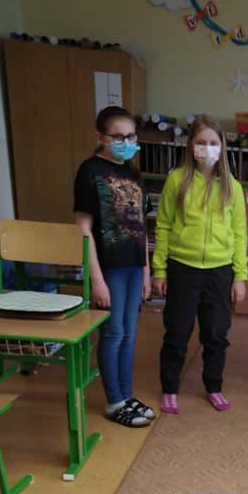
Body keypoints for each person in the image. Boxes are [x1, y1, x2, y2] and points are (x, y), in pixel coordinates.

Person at [152, 115, 248, 414]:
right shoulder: (176, 180)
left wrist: (240, 276)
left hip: (220, 271)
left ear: (222, 147)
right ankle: (170, 388)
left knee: (216, 334)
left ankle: (214, 386)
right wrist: (159, 270)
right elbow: (163, 225)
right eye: (201, 142)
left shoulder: (232, 187)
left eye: (213, 142)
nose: (207, 148)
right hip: (183, 267)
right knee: (177, 332)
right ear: (191, 145)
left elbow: (240, 234)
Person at [74, 106, 153, 427]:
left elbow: (141, 227)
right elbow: (83, 229)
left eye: (130, 136)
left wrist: (146, 271)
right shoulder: (90, 171)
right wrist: (96, 279)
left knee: (130, 334)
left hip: (134, 265)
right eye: (118, 137)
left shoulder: (133, 173)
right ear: (100, 137)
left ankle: (126, 395)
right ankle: (114, 401)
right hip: (109, 267)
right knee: (114, 333)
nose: (126, 142)